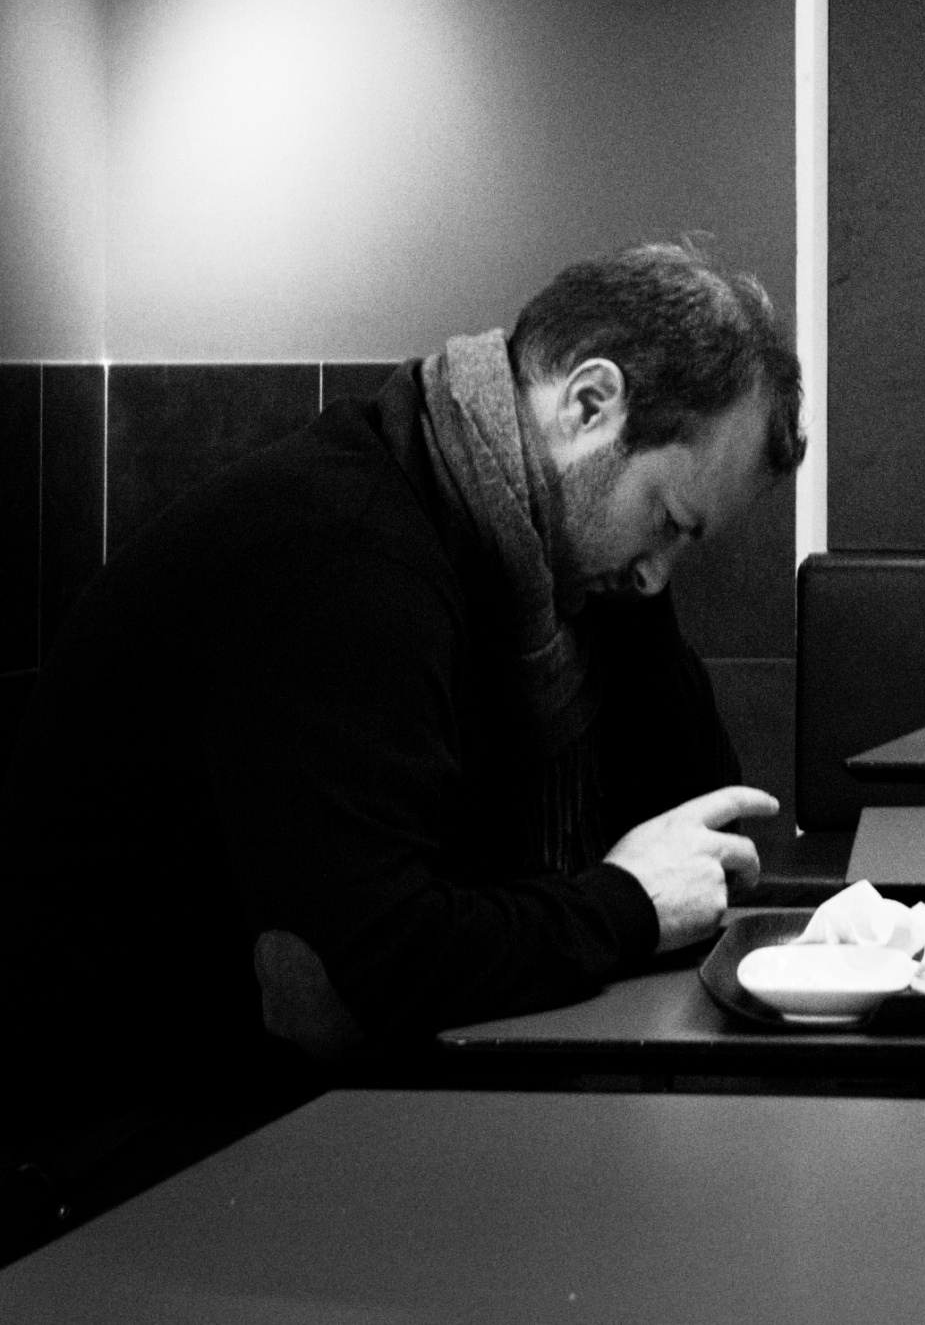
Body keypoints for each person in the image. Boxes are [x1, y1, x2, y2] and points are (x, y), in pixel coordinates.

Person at [0, 240, 799, 1249]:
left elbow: (697, 826)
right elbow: (375, 963)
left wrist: (626, 581)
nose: (657, 572)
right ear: (590, 405)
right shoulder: (347, 556)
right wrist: (625, 903)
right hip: (122, 1160)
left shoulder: (516, 558)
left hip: (277, 1105)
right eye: (671, 519)